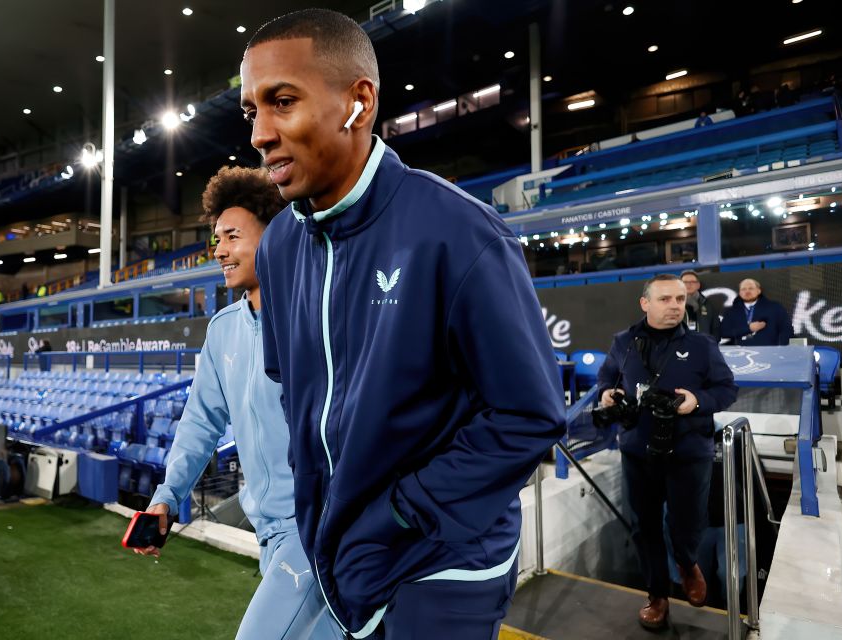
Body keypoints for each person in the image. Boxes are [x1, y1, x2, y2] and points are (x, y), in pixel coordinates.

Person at [244, 9, 565, 638]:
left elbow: (529, 416)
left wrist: (397, 514)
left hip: (444, 562)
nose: (259, 132)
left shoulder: (458, 232)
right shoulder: (280, 246)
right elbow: (294, 389)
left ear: (358, 103)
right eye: (252, 110)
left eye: (282, 101)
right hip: (339, 551)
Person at [139, 166, 342, 640]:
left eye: (232, 236)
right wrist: (167, 497)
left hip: (318, 526)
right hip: (268, 534)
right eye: (216, 239)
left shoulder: (316, 313)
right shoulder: (222, 329)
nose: (220, 251)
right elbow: (199, 423)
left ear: (275, 235)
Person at [596, 274, 737, 629]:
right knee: (643, 527)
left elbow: (727, 389)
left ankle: (688, 564)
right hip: (637, 451)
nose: (676, 305)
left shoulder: (703, 345)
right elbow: (606, 377)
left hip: (689, 451)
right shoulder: (623, 342)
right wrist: (606, 394)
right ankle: (657, 595)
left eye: (679, 298)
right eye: (665, 299)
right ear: (645, 303)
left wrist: (697, 401)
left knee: (687, 522)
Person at [719, 278, 793, 346]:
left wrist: (780, 349)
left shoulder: (775, 307)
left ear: (759, 291)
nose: (747, 291)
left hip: (769, 353)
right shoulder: (731, 312)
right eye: (743, 289)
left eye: (751, 288)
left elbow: (787, 330)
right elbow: (724, 332)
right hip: (741, 354)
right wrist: (748, 329)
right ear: (740, 292)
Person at [680, 270, 720, 339]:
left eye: (692, 282)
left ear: (698, 285)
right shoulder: (674, 304)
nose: (689, 285)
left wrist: (712, 343)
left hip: (704, 346)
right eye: (685, 282)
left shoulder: (707, 304)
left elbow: (716, 328)